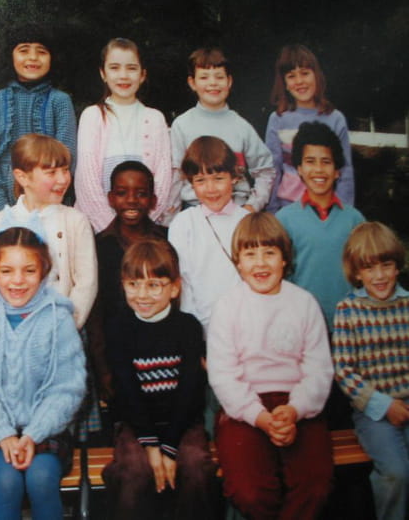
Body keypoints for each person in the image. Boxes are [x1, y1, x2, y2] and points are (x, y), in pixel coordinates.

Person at [208, 212, 333, 519]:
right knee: (250, 491)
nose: (260, 264)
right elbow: (224, 375)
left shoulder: (304, 303)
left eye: (269, 253)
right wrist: (261, 418)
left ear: (284, 259)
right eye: (250, 254)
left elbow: (319, 370)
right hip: (244, 409)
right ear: (238, 262)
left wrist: (294, 410)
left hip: (298, 406)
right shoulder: (227, 307)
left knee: (314, 486)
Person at [0, 225, 86, 520]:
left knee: (41, 479)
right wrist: (3, 434)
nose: (18, 280)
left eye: (29, 271)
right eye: (7, 271)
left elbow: (68, 387)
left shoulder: (58, 317)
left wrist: (34, 433)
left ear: (44, 271)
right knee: (7, 483)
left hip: (47, 431)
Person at [102, 239, 218, 520]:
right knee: (135, 470)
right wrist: (152, 446)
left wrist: (168, 448)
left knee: (195, 466)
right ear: (123, 284)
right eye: (133, 284)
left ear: (174, 288)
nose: (142, 295)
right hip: (136, 424)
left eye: (154, 285)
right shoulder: (118, 328)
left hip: (183, 423)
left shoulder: (188, 327)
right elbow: (127, 393)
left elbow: (189, 392)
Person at [0, 134, 97, 330]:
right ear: (22, 177)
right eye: (51, 173)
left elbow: (86, 283)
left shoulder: (75, 221)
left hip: (60, 330)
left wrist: (66, 326)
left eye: (65, 170)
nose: (62, 179)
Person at [332, 221, 409, 520]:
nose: (379, 276)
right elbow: (344, 370)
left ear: (397, 266)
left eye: (386, 265)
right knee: (397, 473)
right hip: (373, 413)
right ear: (356, 272)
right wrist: (384, 405)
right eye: (369, 268)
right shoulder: (348, 310)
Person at [75, 37, 174, 231]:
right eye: (114, 68)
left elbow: (163, 181)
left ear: (143, 74)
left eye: (131, 68)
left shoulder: (155, 118)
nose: (123, 76)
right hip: (100, 230)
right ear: (103, 73)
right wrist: (112, 230)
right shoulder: (92, 116)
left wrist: (140, 226)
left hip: (144, 230)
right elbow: (86, 182)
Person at [88, 160, 167, 400]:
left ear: (153, 200)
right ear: (111, 199)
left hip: (163, 351)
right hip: (117, 355)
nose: (132, 200)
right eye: (122, 193)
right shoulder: (99, 246)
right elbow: (96, 312)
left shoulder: (167, 241)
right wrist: (103, 369)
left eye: (141, 194)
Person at [0, 23, 77, 215]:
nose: (33, 57)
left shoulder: (60, 101)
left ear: (52, 58)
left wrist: (52, 204)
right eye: (24, 50)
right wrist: (0, 212)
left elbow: (68, 155)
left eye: (41, 51)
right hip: (6, 206)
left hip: (53, 204)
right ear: (10, 56)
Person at [276, 121, 365, 331]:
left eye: (326, 162)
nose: (318, 169)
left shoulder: (355, 221)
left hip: (349, 325)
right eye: (310, 161)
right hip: (301, 326)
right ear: (299, 169)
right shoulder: (283, 220)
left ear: (337, 171)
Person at [170, 47, 274, 212]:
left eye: (219, 77)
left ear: (229, 81)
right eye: (204, 77)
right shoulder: (181, 125)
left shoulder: (241, 126)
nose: (213, 83)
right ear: (192, 83)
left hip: (237, 209)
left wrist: (252, 206)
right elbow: (175, 177)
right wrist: (173, 218)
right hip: (195, 209)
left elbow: (265, 170)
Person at [167, 136, 248, 333]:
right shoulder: (183, 224)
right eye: (201, 180)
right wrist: (194, 330)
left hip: (245, 324)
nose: (211, 189)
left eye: (218, 179)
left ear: (234, 177)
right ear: (191, 183)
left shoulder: (248, 221)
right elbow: (183, 282)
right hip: (199, 327)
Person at [265, 43, 354, 212]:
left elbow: (345, 170)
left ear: (316, 76)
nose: (299, 81)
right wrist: (272, 212)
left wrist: (344, 212)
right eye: (291, 76)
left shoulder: (335, 119)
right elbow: (273, 169)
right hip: (288, 207)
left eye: (305, 73)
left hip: (327, 208)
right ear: (284, 83)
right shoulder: (278, 119)